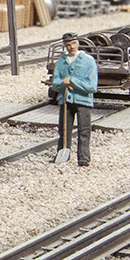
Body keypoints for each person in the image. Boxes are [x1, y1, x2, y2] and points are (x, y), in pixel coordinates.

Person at [50, 32, 98, 166]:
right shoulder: (61, 62)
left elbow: (92, 87)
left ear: (78, 43)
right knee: (64, 129)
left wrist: (73, 81)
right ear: (65, 46)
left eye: (73, 43)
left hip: (83, 101)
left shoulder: (88, 61)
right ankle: (62, 154)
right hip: (66, 100)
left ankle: (83, 158)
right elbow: (55, 83)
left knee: (84, 129)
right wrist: (63, 84)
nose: (71, 47)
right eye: (68, 45)